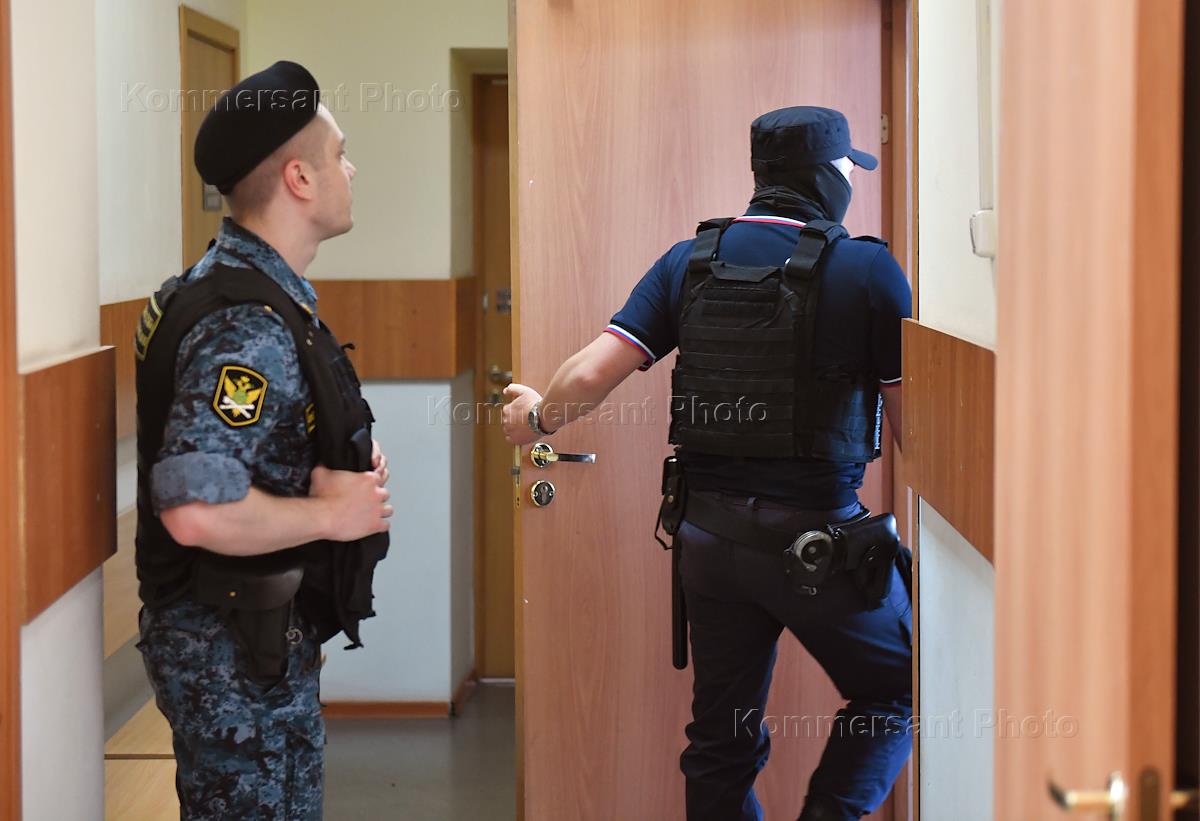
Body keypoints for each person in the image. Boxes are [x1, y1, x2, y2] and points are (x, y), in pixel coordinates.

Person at [502, 106, 913, 820]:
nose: (852, 178)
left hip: (710, 541)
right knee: (898, 690)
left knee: (721, 736)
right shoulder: (868, 270)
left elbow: (593, 373)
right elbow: (915, 434)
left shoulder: (688, 262)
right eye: (850, 165)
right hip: (817, 544)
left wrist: (537, 418)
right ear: (828, 175)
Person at [133, 61, 392, 819]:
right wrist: (331, 515)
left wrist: (336, 466)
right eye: (339, 153)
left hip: (254, 644)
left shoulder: (253, 294)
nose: (351, 168)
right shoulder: (243, 322)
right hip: (229, 658)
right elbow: (194, 509)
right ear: (299, 179)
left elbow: (249, 450)